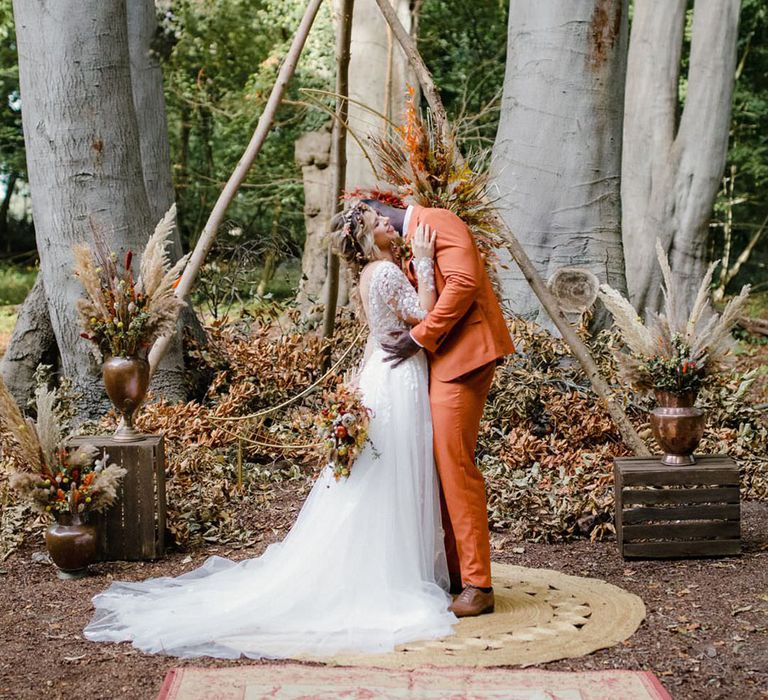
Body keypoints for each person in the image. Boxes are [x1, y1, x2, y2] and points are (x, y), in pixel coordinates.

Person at [83, 202, 457, 659]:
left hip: (382, 372)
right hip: (398, 377)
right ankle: (393, 573)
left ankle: (394, 564)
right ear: (366, 239)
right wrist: (423, 258)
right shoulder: (387, 273)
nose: (388, 223)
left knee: (380, 475)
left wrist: (357, 383)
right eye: (379, 222)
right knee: (394, 471)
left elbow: (373, 335)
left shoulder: (369, 275)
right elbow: (428, 314)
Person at [364, 198, 515, 618]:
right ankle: (452, 571)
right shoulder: (406, 247)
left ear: (387, 211)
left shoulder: (438, 221)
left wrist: (418, 337)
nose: (381, 225)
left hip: (464, 358)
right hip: (437, 366)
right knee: (437, 467)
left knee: (455, 466)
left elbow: (464, 283)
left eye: (378, 216)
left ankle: (477, 585)